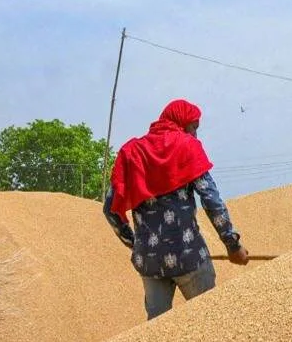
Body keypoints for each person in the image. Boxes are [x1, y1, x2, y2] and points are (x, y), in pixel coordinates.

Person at [104, 100, 249, 320]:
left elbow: (110, 209)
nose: (195, 135)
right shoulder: (187, 146)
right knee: (210, 322)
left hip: (150, 263)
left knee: (156, 331)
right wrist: (232, 244)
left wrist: (137, 244)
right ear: (181, 124)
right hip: (188, 255)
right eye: (194, 128)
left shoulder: (131, 152)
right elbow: (211, 200)